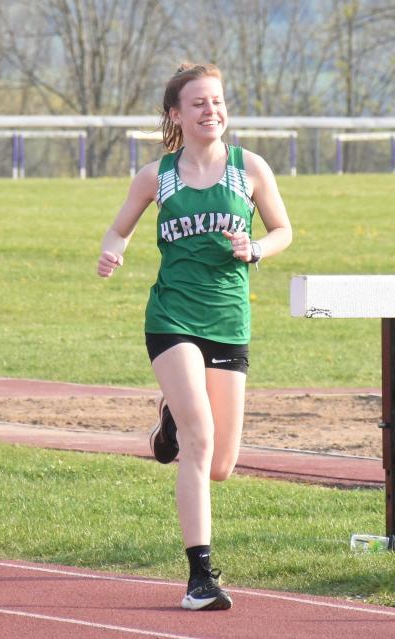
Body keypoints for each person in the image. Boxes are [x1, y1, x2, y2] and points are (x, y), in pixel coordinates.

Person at [96, 63, 291, 610]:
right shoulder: (156, 176)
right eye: (199, 103)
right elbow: (120, 226)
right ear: (177, 115)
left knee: (221, 464)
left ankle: (169, 420)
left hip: (228, 321)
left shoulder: (248, 168)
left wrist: (254, 249)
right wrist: (113, 249)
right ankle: (200, 576)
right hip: (172, 319)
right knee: (199, 435)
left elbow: (283, 230)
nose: (212, 111)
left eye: (218, 101)